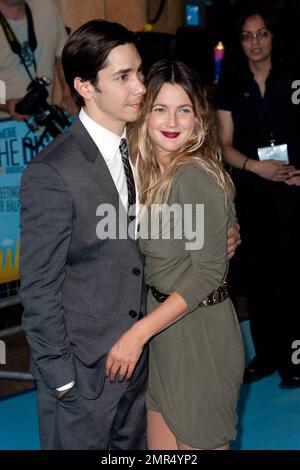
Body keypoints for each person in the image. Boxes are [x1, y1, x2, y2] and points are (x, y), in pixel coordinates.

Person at [19, 20, 241, 450]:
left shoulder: (143, 152)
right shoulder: (54, 172)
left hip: (147, 362)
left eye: (139, 72)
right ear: (85, 86)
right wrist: (62, 379)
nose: (140, 87)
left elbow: (193, 230)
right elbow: (39, 288)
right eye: (122, 77)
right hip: (84, 378)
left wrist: (224, 233)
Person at [105, 59, 244, 450]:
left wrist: (137, 334)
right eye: (160, 109)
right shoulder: (148, 173)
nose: (172, 120)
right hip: (167, 333)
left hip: (201, 334)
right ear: (144, 115)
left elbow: (206, 273)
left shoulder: (193, 175)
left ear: (198, 117)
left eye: (183, 109)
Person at [216, 4, 300, 388]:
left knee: (293, 275)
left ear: (273, 35)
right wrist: (254, 166)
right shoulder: (230, 83)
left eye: (261, 33)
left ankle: (295, 359)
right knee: (260, 277)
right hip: (251, 190)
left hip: (294, 189)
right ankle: (265, 355)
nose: (255, 42)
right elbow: (223, 144)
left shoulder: (295, 76)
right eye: (247, 36)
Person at [0, 0, 77, 120]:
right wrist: (6, 105)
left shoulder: (47, 8)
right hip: (5, 126)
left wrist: (68, 93)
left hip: (44, 121)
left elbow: (62, 54)